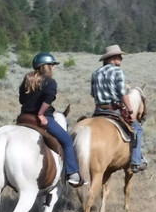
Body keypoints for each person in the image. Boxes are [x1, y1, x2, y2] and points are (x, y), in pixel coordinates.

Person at [19, 52, 83, 186]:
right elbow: (49, 98)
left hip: (24, 118)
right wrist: (41, 113)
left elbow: (21, 100)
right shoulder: (50, 82)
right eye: (52, 65)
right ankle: (72, 173)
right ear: (46, 66)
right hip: (42, 119)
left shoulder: (27, 79)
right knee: (66, 141)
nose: (53, 68)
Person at [90, 44, 147, 171]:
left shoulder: (96, 73)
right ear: (112, 58)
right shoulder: (117, 71)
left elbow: (93, 94)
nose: (121, 58)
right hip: (113, 109)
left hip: (98, 110)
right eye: (119, 56)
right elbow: (122, 94)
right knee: (137, 128)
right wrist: (131, 111)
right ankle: (136, 162)